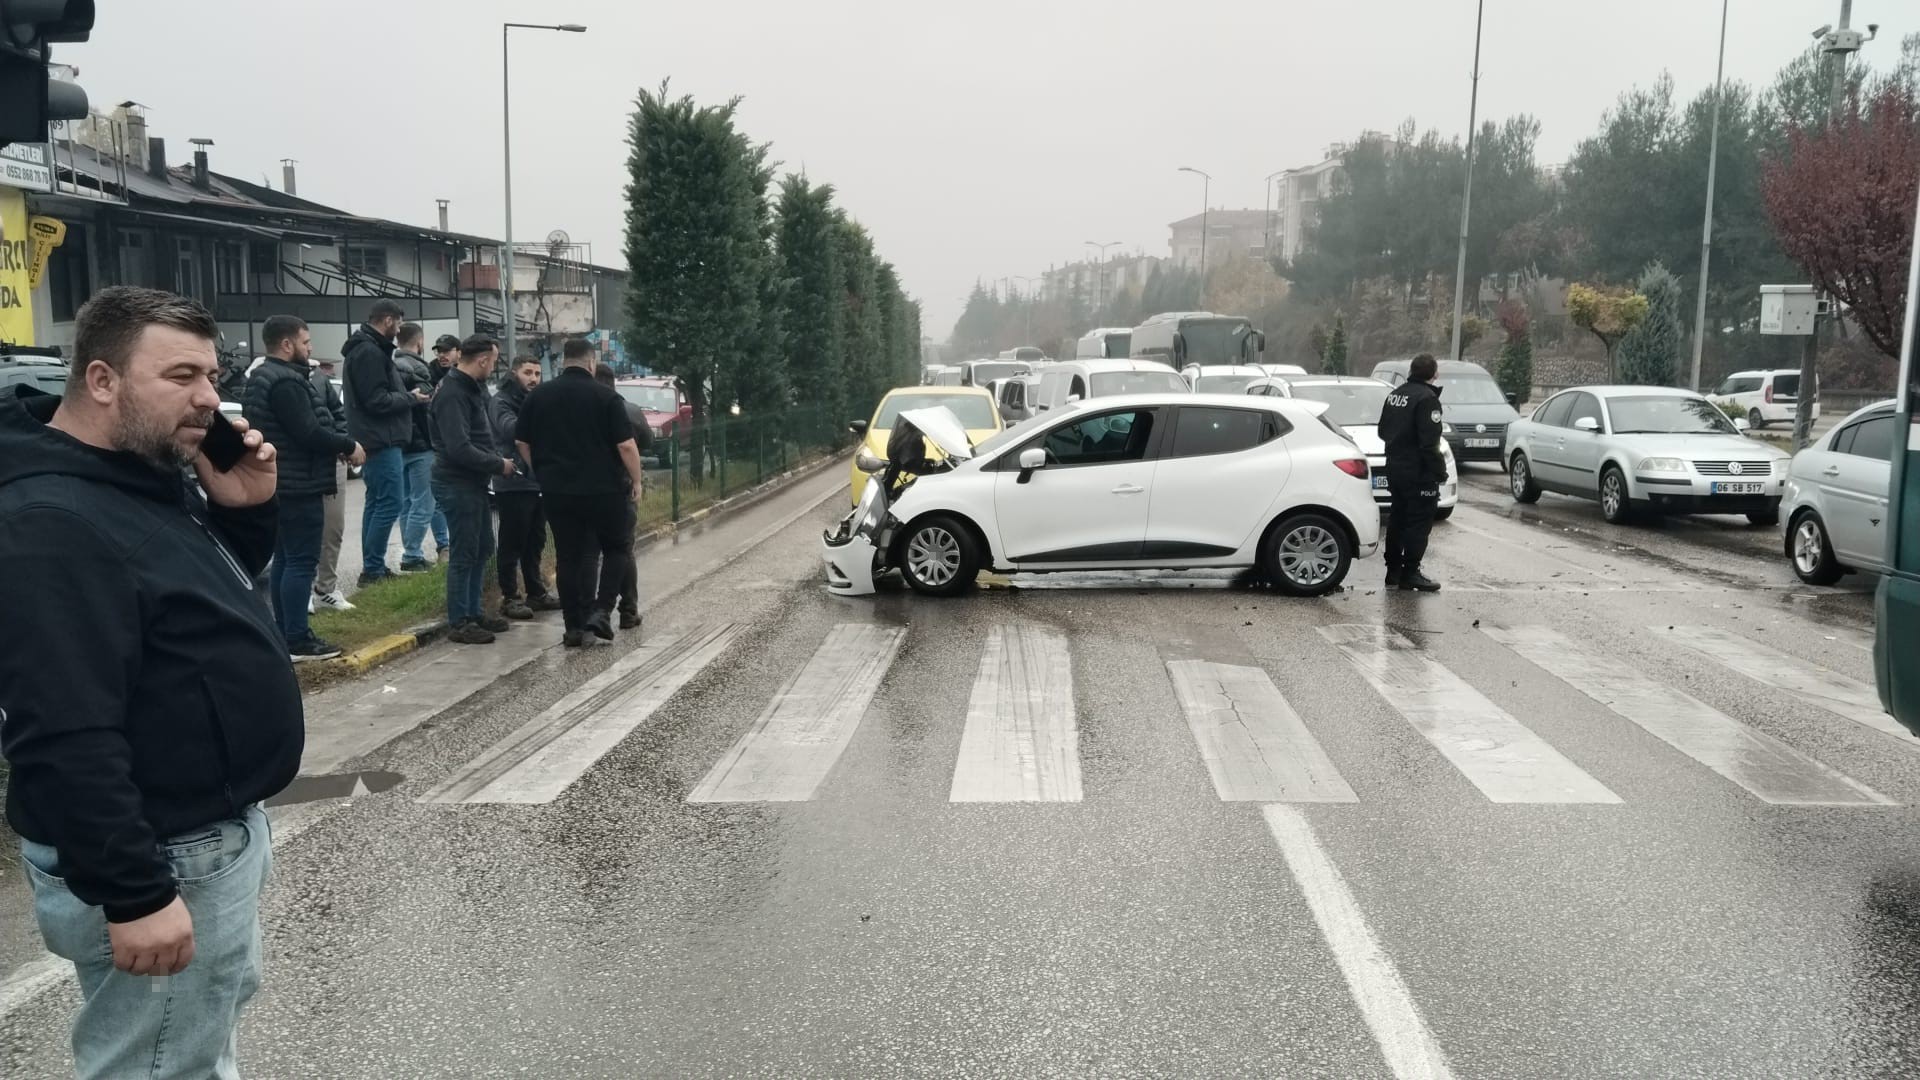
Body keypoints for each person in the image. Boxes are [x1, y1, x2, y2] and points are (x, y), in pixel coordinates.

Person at [0, 286, 300, 1079]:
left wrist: (244, 513)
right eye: (181, 376)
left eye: (211, 374)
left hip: (202, 831)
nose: (209, 399)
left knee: (191, 1047)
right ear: (102, 381)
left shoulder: (132, 473)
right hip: (163, 852)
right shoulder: (53, 522)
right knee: (159, 1064)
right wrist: (135, 894)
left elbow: (193, 611)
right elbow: (62, 728)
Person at [243, 315, 364, 660]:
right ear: (287, 344)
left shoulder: (263, 376)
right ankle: (296, 637)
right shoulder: (286, 383)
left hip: (282, 481)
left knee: (286, 558)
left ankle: (286, 631)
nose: (310, 350)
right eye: (306, 342)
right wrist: (347, 444)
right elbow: (308, 432)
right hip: (298, 484)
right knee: (300, 561)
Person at [515, 338, 646, 648]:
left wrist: (541, 471)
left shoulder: (538, 397)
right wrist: (636, 481)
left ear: (563, 362)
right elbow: (626, 445)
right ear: (591, 362)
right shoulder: (606, 397)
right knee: (616, 548)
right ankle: (601, 611)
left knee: (568, 557)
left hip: (558, 490)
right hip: (604, 490)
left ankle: (573, 627)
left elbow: (522, 442)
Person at [431, 335, 516, 644]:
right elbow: (458, 447)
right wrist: (498, 464)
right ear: (482, 360)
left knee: (482, 548)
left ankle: (473, 611)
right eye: (493, 362)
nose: (493, 369)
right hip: (456, 482)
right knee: (465, 553)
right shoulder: (453, 392)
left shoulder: (469, 387)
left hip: (473, 482)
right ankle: (460, 621)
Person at [342, 299, 425, 587]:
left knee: (376, 503)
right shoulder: (369, 351)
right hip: (380, 438)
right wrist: (410, 398)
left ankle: (373, 566)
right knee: (389, 503)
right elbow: (376, 400)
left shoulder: (367, 347)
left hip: (374, 438)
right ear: (388, 320)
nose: (400, 329)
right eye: (399, 323)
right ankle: (373, 569)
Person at [492, 355, 562, 620]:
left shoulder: (535, 400)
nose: (533, 378)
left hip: (536, 479)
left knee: (536, 539)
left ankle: (536, 591)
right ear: (514, 373)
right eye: (527, 373)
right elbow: (511, 429)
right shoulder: (501, 401)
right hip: (513, 480)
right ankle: (510, 596)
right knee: (512, 541)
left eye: (536, 373)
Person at [1378, 352, 1446, 593]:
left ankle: (1393, 571)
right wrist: (1440, 471)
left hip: (1395, 468)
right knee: (1418, 523)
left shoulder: (1395, 395)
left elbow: (1382, 431)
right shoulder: (1427, 399)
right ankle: (1411, 572)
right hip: (1418, 473)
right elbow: (1430, 443)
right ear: (1434, 373)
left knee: (1398, 518)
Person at [594, 362, 653, 629]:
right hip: (623, 487)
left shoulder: (586, 408)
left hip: (588, 489)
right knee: (622, 549)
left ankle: (590, 610)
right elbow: (647, 441)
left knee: (588, 551)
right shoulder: (629, 409)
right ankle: (628, 609)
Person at [391, 322, 450, 571]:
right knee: (424, 502)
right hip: (421, 445)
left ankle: (411, 551)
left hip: (401, 442)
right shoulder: (418, 367)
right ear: (420, 342)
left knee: (407, 502)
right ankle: (412, 555)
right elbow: (429, 407)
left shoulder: (391, 365)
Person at [310, 357, 356, 612]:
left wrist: (341, 443)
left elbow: (338, 413)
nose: (309, 347)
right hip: (296, 466)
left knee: (333, 528)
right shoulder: (268, 377)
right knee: (300, 535)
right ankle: (301, 593)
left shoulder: (318, 377)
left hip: (331, 460)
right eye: (304, 342)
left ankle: (325, 589)